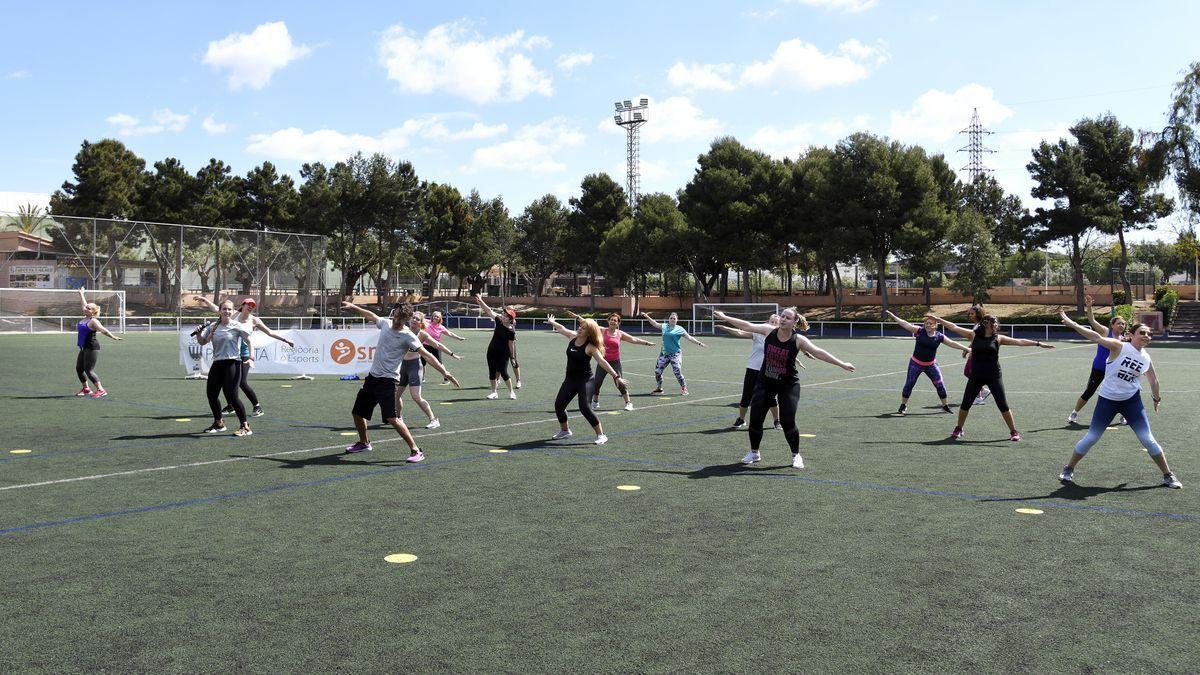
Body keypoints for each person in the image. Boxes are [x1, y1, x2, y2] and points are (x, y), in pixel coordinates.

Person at [714, 309, 855, 468]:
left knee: (788, 421)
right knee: (755, 420)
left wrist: (842, 364)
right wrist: (725, 317)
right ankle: (754, 452)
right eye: (782, 316)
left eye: (788, 318)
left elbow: (819, 352)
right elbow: (747, 325)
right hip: (765, 381)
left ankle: (796, 455)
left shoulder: (798, 339)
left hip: (788, 385)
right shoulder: (769, 331)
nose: (783, 319)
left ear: (794, 322)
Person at [1057, 313, 1181, 489]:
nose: (1147, 336)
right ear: (1131, 335)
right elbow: (1096, 337)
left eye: (1149, 334)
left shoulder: (1146, 357)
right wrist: (1073, 324)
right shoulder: (1119, 346)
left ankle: (1168, 475)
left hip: (1132, 402)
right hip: (1107, 400)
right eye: (1142, 333)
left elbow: (1153, 380)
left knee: (1148, 439)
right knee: (1092, 437)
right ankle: (1069, 467)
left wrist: (1156, 398)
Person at [340, 301, 460, 461]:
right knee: (357, 413)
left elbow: (427, 355)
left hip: (388, 381)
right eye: (395, 316)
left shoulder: (408, 336)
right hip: (372, 378)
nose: (396, 320)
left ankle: (416, 451)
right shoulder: (385, 324)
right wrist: (353, 307)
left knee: (392, 418)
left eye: (400, 318)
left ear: (406, 319)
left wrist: (445, 372)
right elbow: (371, 315)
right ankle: (364, 442)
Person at [926, 313, 1055, 441]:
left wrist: (1038, 343)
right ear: (986, 324)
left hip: (994, 376)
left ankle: (1013, 431)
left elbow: (1019, 342)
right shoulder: (973, 335)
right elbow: (954, 327)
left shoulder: (998, 338)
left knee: (1003, 405)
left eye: (996, 323)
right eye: (993, 323)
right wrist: (937, 319)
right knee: (965, 404)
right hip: (976, 376)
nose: (996, 325)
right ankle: (959, 428)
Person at [193, 296, 295, 418]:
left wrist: (285, 340)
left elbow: (270, 332)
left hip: (244, 355)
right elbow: (217, 308)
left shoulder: (254, 320)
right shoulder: (233, 314)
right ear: (242, 305)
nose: (251, 307)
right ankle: (231, 405)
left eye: (253, 305)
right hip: (231, 354)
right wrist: (204, 300)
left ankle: (256, 406)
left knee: (241, 382)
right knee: (227, 383)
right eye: (248, 304)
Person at [545, 314, 630, 444]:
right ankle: (565, 430)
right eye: (580, 327)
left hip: (585, 380)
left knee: (585, 407)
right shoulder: (573, 337)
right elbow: (562, 328)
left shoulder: (590, 346)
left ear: (589, 332)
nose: (580, 329)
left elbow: (602, 362)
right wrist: (552, 322)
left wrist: (616, 376)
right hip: (570, 379)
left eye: (583, 328)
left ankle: (601, 435)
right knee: (559, 405)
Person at [565, 310, 655, 411]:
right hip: (603, 362)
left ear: (618, 323)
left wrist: (647, 343)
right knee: (597, 383)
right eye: (611, 320)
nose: (613, 322)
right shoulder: (603, 330)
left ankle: (628, 403)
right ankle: (595, 402)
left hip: (615, 362)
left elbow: (634, 339)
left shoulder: (620, 334)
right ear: (608, 321)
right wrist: (577, 317)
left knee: (620, 383)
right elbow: (589, 324)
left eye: (615, 321)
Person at [885, 311, 970, 415]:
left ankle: (945, 406)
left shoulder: (939, 336)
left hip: (931, 365)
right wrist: (894, 316)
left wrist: (967, 349)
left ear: (935, 325)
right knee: (909, 384)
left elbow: (952, 343)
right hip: (915, 364)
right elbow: (905, 324)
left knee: (940, 385)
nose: (928, 325)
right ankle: (903, 406)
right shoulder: (919, 331)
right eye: (926, 323)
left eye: (931, 323)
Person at [716, 313, 790, 430]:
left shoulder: (780, 337)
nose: (774, 324)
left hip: (770, 371)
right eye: (772, 321)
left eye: (776, 322)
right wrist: (727, 329)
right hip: (753, 368)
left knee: (770, 397)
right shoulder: (757, 333)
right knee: (746, 396)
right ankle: (741, 419)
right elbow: (740, 332)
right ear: (767, 322)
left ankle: (777, 421)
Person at [1067, 295, 1128, 426]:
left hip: (1114, 370)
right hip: (1099, 368)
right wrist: (1089, 307)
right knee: (1089, 391)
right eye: (1119, 323)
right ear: (1112, 325)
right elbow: (1092, 320)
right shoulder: (1106, 332)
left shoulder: (1124, 339)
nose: (1121, 325)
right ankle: (1074, 413)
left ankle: (1123, 415)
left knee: (1121, 392)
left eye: (1123, 324)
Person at [195, 300, 253, 436]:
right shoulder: (213, 327)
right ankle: (219, 423)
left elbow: (249, 341)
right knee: (211, 395)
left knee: (232, 397)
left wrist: (250, 357)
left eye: (229, 310)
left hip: (233, 363)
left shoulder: (237, 326)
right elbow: (203, 342)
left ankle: (245, 426)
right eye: (224, 309)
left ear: (233, 312)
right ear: (220, 310)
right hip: (218, 364)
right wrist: (198, 334)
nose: (227, 312)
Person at [398, 310, 463, 430]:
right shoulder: (403, 331)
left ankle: (434, 419)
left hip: (414, 367)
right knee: (395, 396)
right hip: (403, 367)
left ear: (421, 323)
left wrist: (452, 355)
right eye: (413, 317)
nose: (414, 320)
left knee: (416, 397)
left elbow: (438, 346)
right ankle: (398, 418)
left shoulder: (422, 334)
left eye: (417, 319)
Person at [639, 311, 707, 395]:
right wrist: (647, 317)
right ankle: (659, 388)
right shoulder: (664, 326)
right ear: (668, 319)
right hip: (664, 354)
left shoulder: (680, 329)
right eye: (671, 318)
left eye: (674, 318)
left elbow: (689, 337)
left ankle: (684, 388)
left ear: (677, 320)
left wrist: (699, 343)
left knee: (677, 371)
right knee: (658, 372)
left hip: (675, 354)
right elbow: (655, 324)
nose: (672, 319)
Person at [74, 286, 122, 398]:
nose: (86, 308)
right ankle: (86, 389)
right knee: (79, 369)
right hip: (83, 348)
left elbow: (103, 330)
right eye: (86, 307)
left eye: (89, 308)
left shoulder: (93, 321)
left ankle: (101, 390)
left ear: (93, 312)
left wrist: (113, 337)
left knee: (88, 370)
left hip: (91, 347)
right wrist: (81, 294)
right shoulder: (85, 317)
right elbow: (84, 303)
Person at [472, 294, 519, 399]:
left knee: (504, 372)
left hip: (503, 354)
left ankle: (511, 392)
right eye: (503, 314)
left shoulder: (511, 331)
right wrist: (481, 301)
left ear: (510, 319)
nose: (503, 316)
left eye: (506, 315)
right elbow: (488, 310)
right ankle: (494, 392)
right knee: (492, 372)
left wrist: (513, 358)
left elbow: (511, 345)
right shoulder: (498, 321)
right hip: (492, 351)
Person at [424, 310, 467, 385]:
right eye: (434, 316)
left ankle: (446, 378)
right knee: (422, 363)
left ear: (440, 318)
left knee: (439, 363)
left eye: (437, 317)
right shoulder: (426, 322)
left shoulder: (441, 327)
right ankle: (422, 378)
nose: (435, 317)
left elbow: (450, 333)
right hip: (424, 345)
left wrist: (459, 338)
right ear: (432, 317)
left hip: (435, 346)